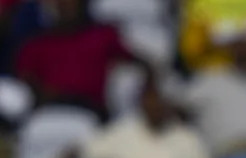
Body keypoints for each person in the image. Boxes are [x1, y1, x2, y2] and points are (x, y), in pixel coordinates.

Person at [32, 78, 216, 158]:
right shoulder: (121, 133)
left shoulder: (187, 137)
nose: (155, 108)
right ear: (141, 105)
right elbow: (79, 151)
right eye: (149, 102)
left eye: (158, 103)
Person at [14, 0, 152, 119]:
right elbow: (23, 81)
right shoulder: (36, 44)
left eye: (70, 2)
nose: (65, 5)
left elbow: (142, 64)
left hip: (91, 111)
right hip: (49, 111)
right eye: (60, 2)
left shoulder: (102, 35)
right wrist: (42, 93)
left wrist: (149, 92)